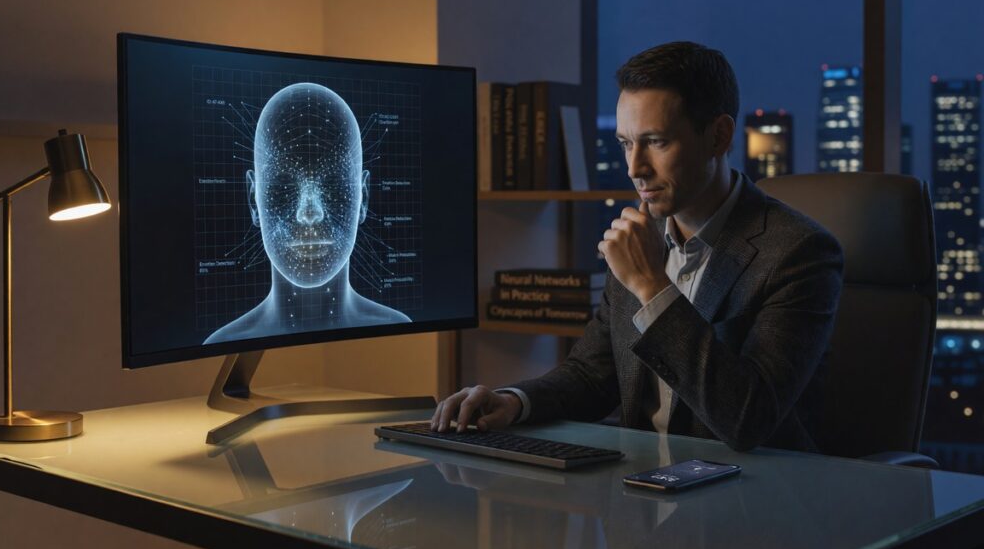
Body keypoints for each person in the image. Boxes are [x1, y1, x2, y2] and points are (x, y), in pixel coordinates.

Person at [431, 41, 843, 452]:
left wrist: (652, 287)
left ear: (718, 136)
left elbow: (747, 419)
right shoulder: (643, 234)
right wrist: (513, 402)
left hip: (749, 499)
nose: (634, 169)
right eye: (627, 143)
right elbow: (593, 376)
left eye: (657, 142)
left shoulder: (798, 253)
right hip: (640, 494)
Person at [205, 82, 410, 344]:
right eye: (283, 187)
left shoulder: (398, 330)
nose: (310, 213)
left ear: (364, 197)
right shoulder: (220, 347)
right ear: (253, 200)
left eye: (334, 185)